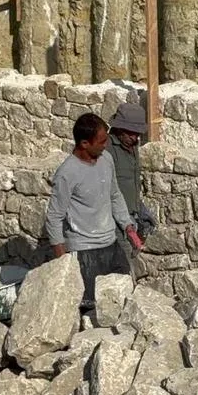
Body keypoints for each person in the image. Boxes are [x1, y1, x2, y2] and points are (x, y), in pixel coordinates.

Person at [45, 113, 145, 310]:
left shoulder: (106, 159)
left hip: (111, 245)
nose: (106, 145)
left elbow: (114, 195)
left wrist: (128, 226)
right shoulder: (67, 173)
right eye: (101, 141)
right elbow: (54, 217)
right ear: (84, 143)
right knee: (91, 309)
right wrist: (62, 262)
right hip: (84, 252)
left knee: (125, 300)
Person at [106, 103, 157, 248]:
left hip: (131, 216)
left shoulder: (133, 147)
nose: (134, 137)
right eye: (130, 133)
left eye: (137, 133)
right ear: (119, 129)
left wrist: (140, 210)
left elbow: (132, 183)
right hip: (113, 220)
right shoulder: (107, 149)